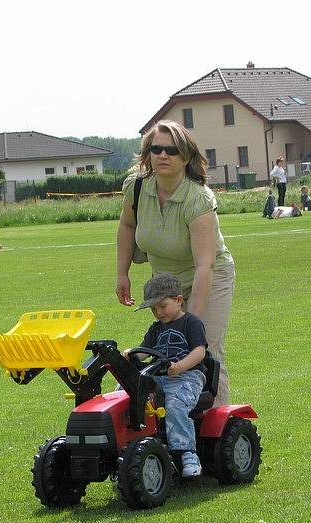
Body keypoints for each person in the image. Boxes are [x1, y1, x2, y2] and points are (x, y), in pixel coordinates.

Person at [116, 119, 234, 407]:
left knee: (202, 348)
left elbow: (205, 264)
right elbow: (127, 226)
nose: (163, 155)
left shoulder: (198, 198)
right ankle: (172, 424)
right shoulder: (136, 187)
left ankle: (218, 431)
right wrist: (122, 273)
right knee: (166, 348)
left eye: (172, 150)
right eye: (156, 149)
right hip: (165, 280)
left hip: (209, 275)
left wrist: (189, 322)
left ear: (186, 156)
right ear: (148, 154)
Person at [123, 274, 207, 478]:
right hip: (158, 378)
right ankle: (131, 447)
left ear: (178, 300)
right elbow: (144, 351)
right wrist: (130, 354)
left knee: (174, 405)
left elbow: (199, 352)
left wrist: (180, 366)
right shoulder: (156, 328)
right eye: (153, 309)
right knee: (127, 397)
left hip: (188, 377)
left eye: (162, 306)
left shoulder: (191, 322)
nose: (158, 312)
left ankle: (188, 453)